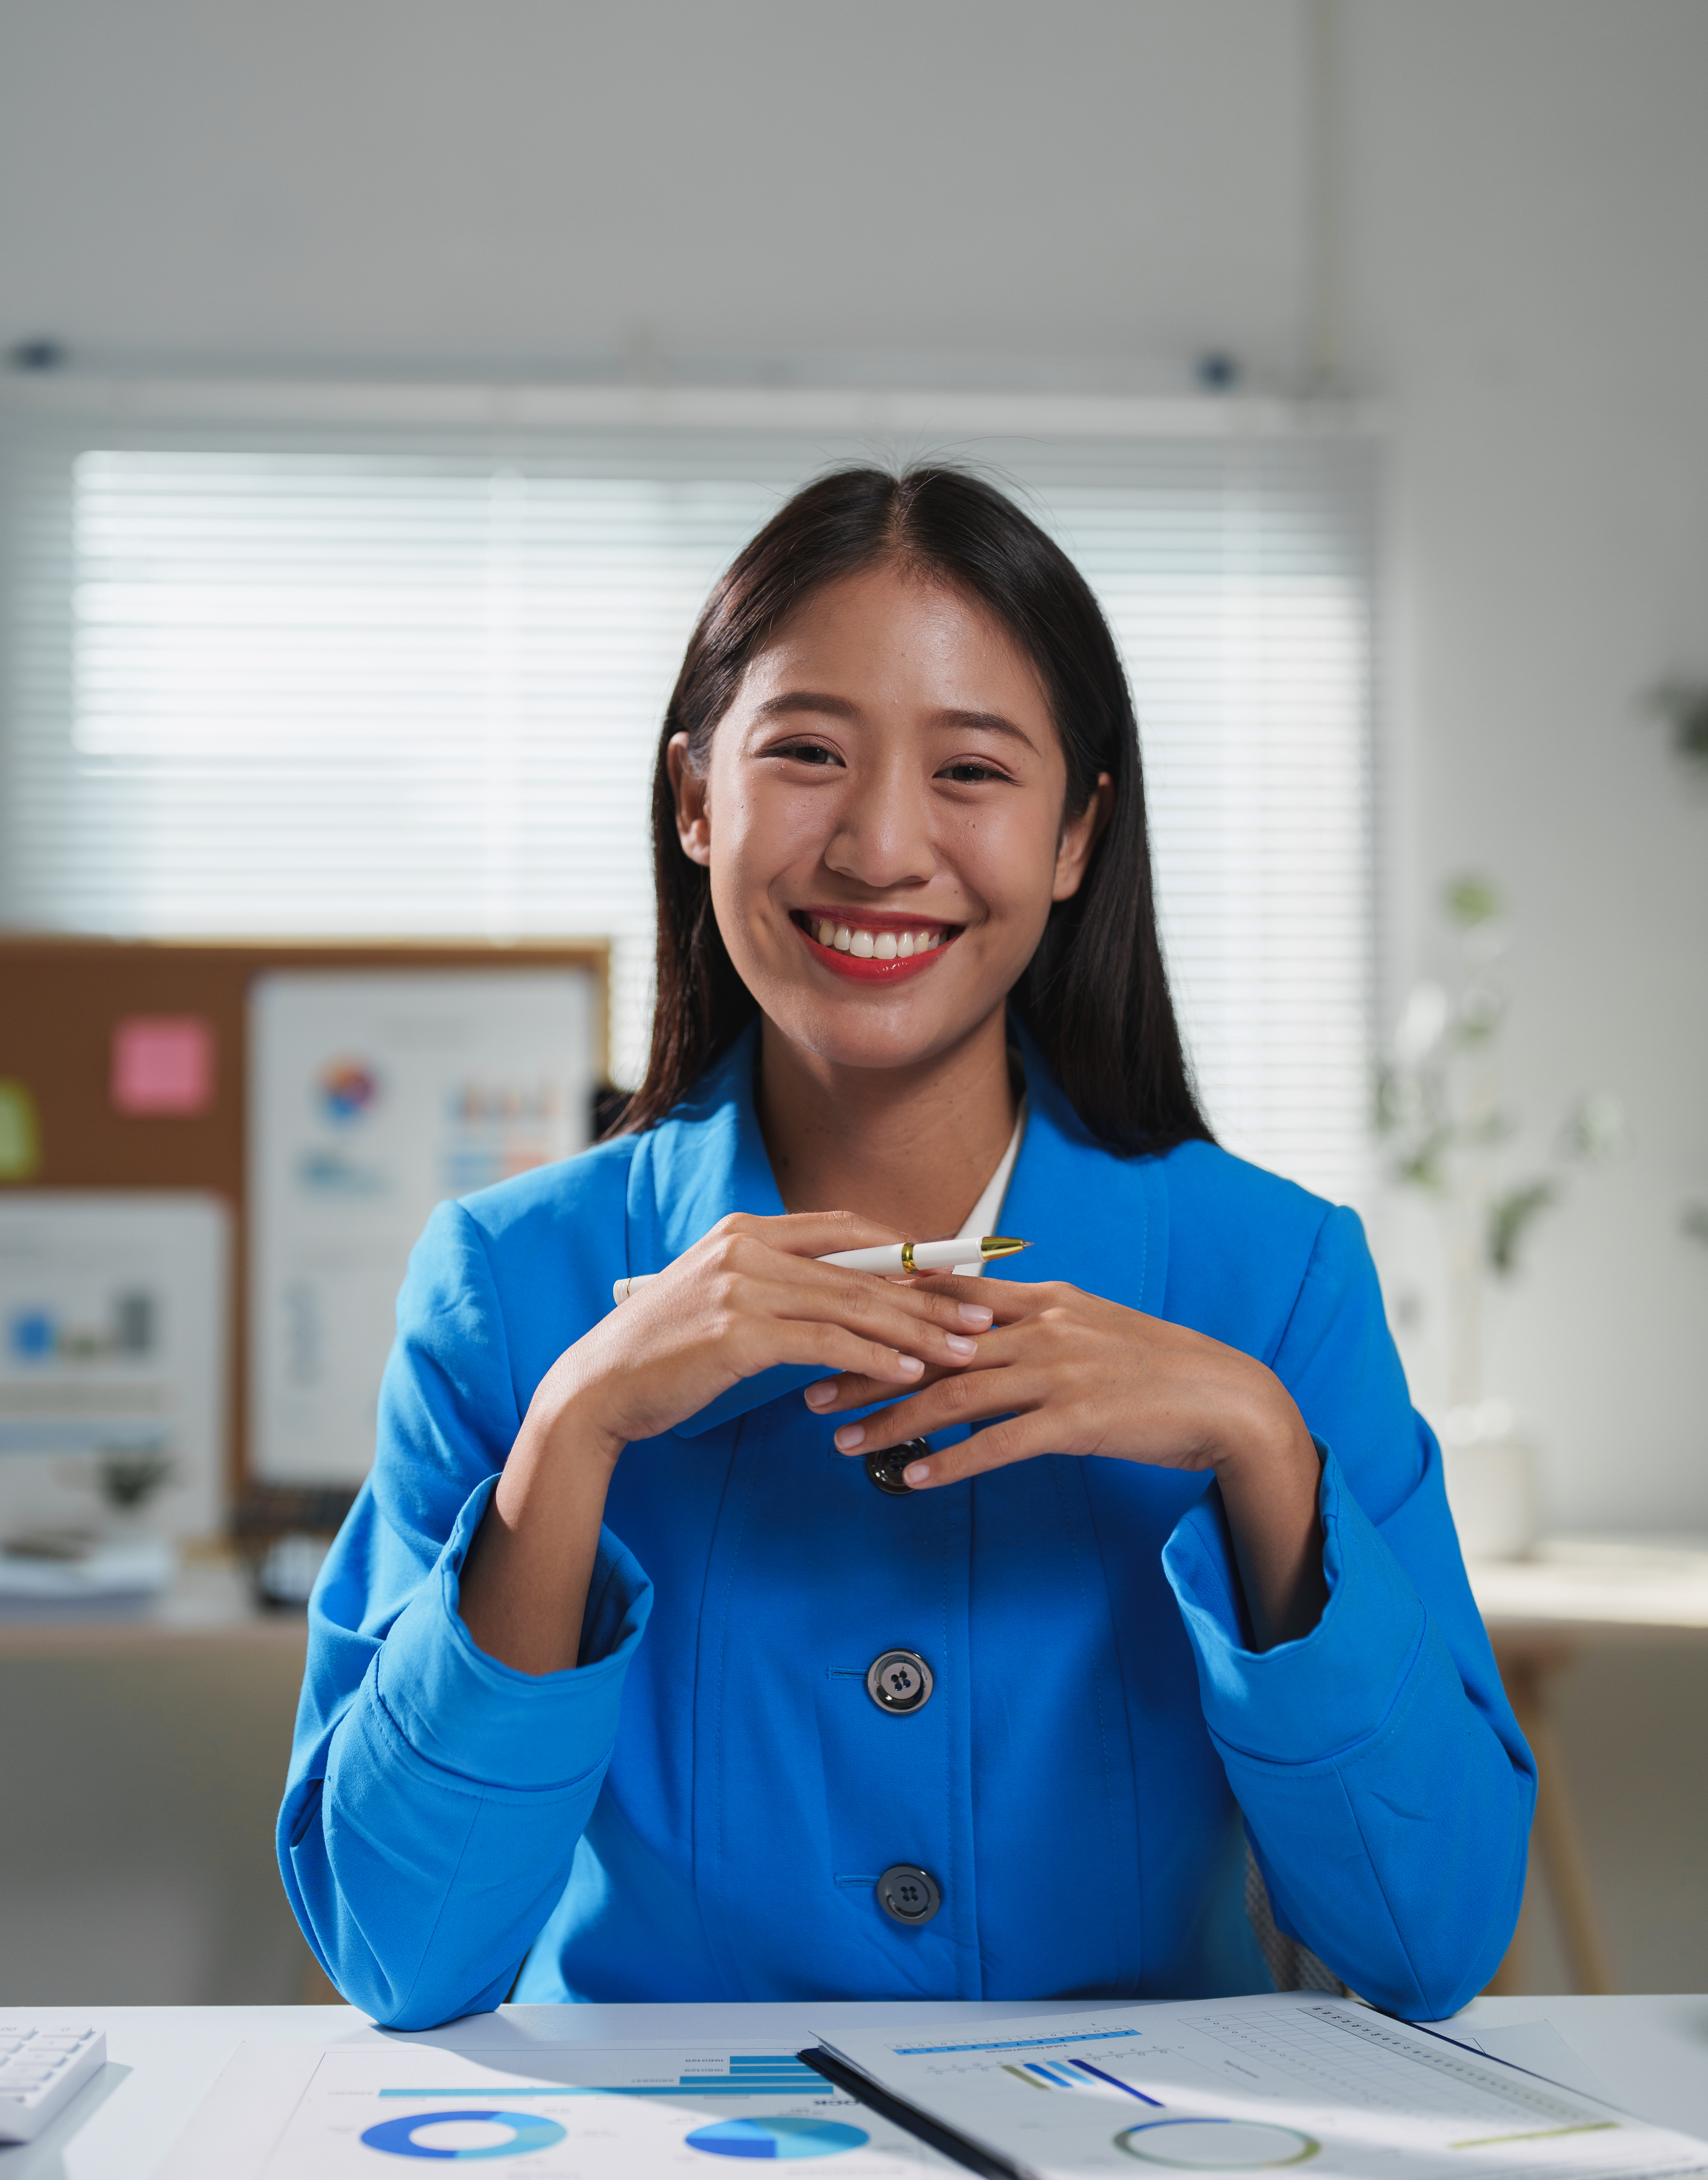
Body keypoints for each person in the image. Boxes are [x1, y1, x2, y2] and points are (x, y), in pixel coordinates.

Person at [279, 466, 1533, 2029]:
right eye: (805, 754)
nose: (878, 847)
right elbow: (400, 1952)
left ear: (1077, 832)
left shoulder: (1271, 1278)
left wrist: (1261, 1449)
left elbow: (1433, 1941)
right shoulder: (509, 1283)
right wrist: (574, 1427)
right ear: (694, 801)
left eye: (971, 772)